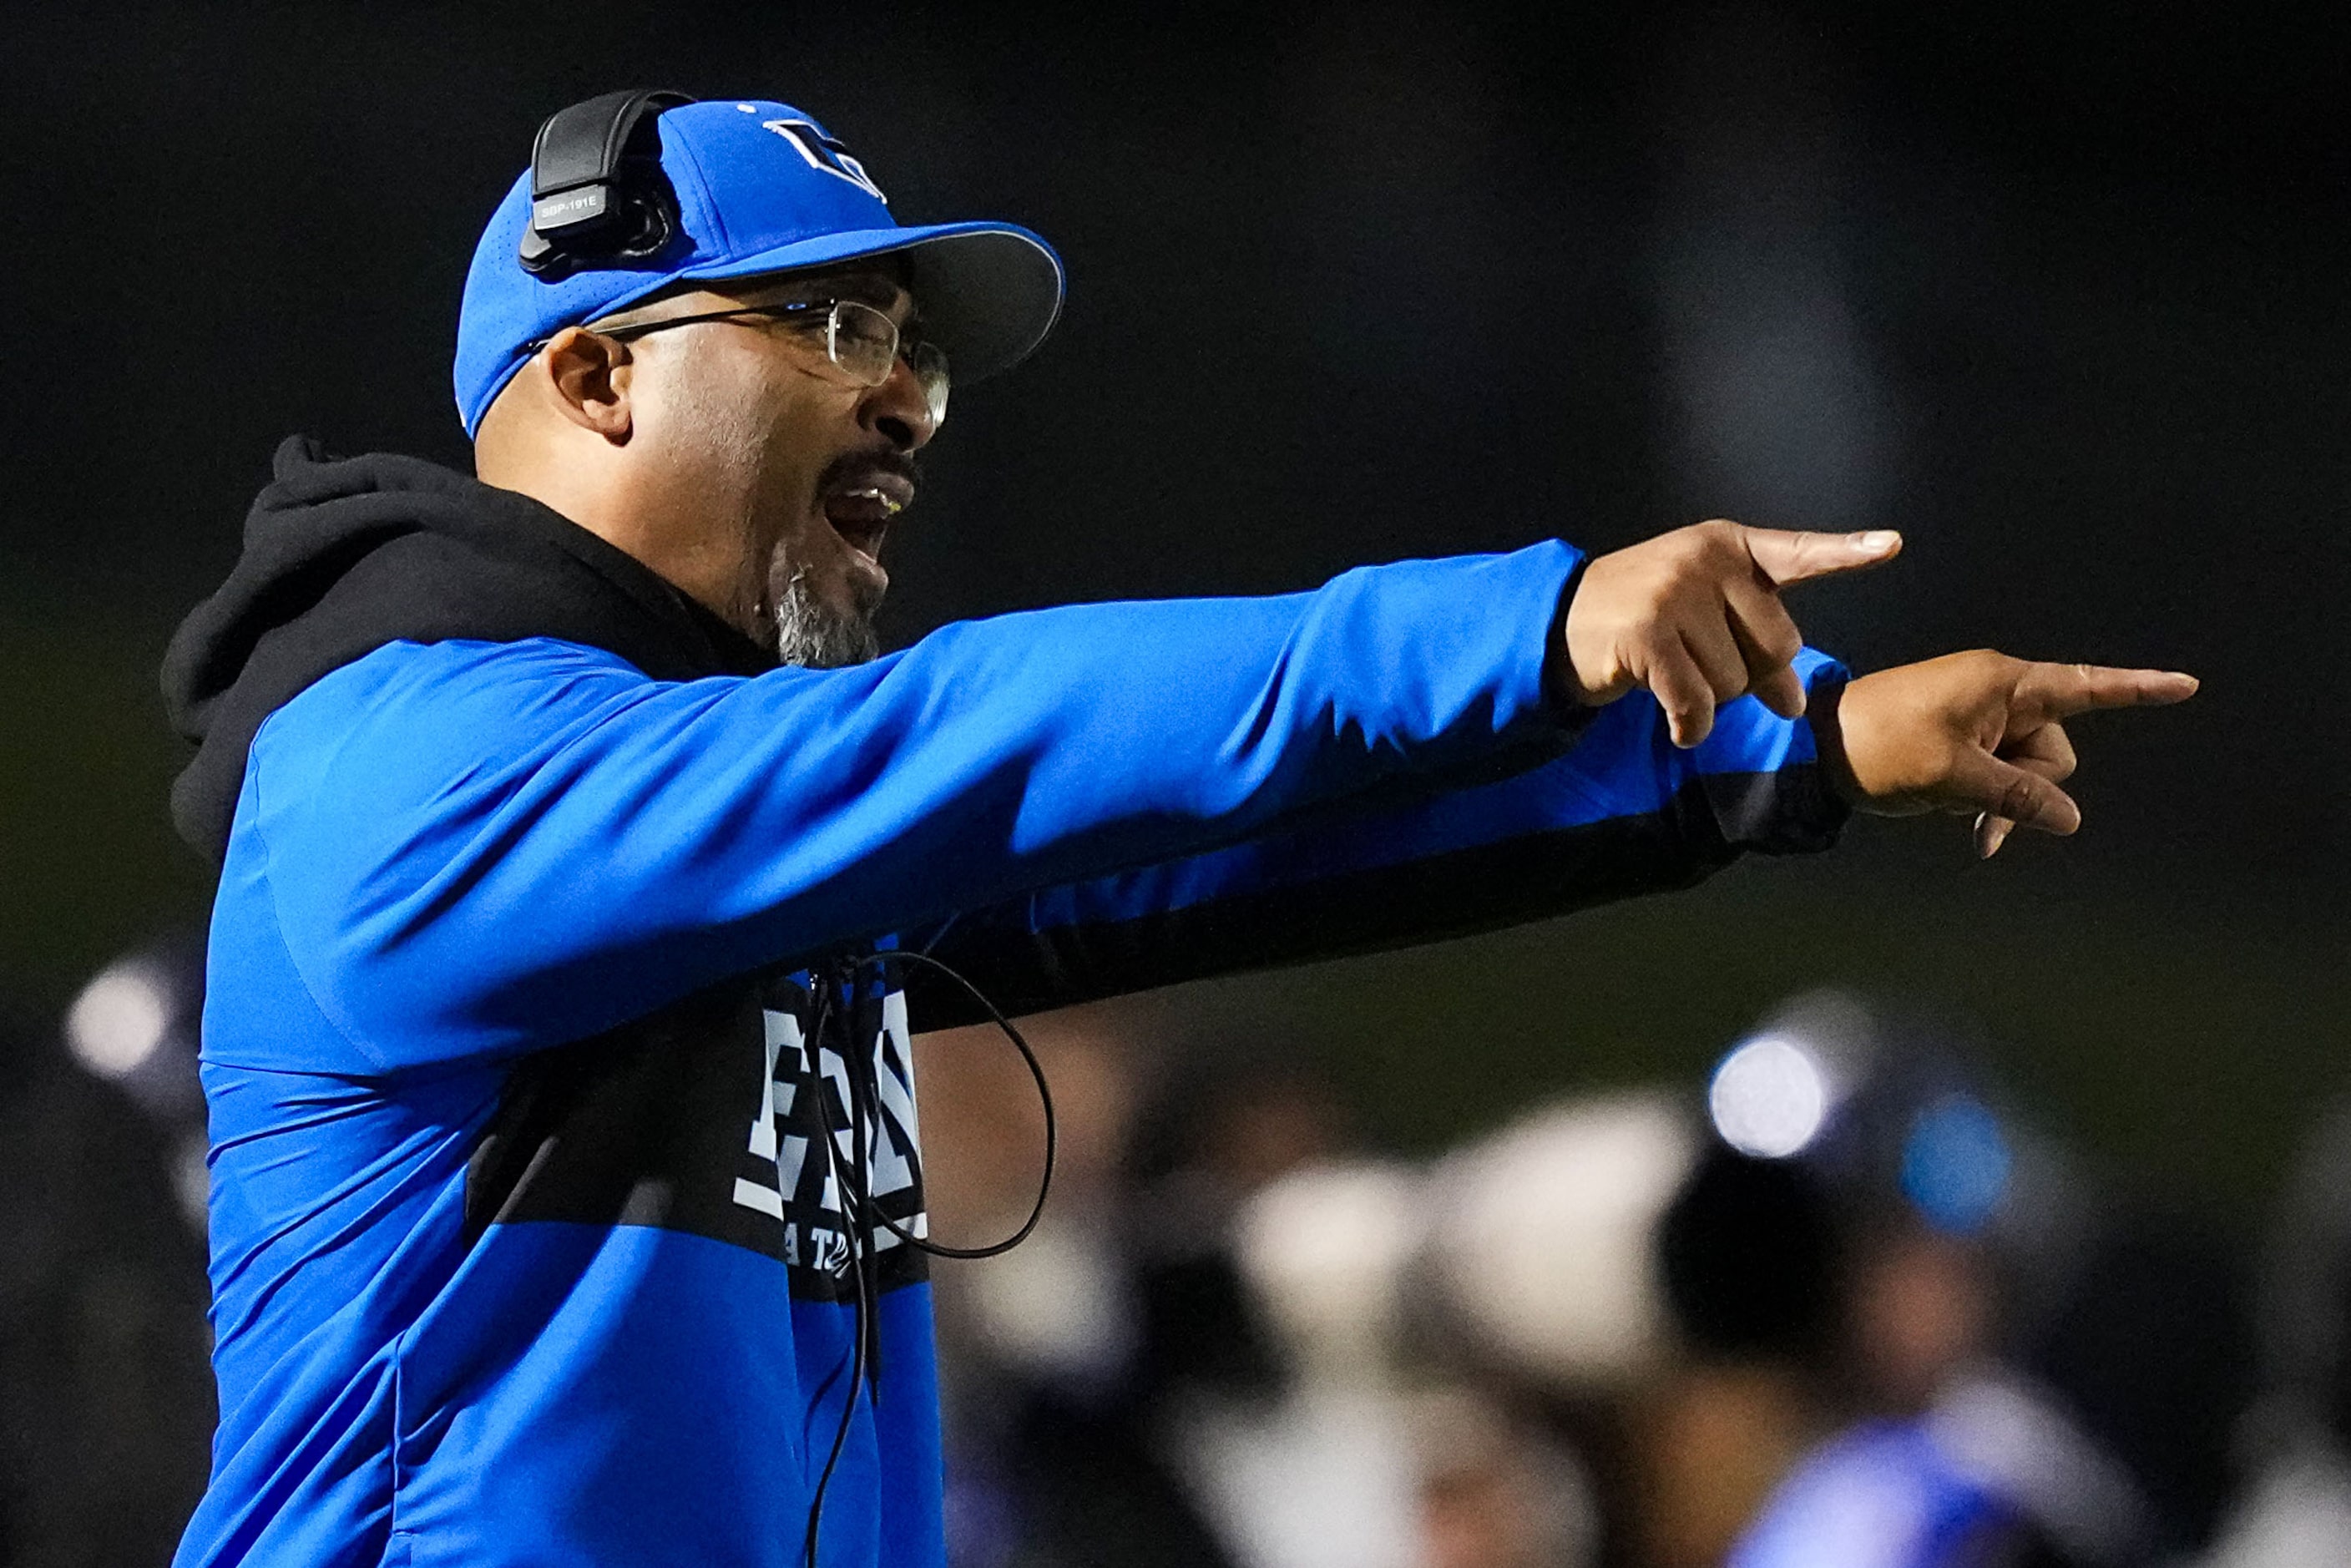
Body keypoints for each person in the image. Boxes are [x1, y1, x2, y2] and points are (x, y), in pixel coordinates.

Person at [156, 91, 2197, 1568]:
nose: (912, 403)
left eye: (923, 354)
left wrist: (1778, 749)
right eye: (838, 332)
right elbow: (986, 736)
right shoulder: (397, 772)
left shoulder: (734, 823)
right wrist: (1532, 617)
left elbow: (1228, 843)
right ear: (594, 371)